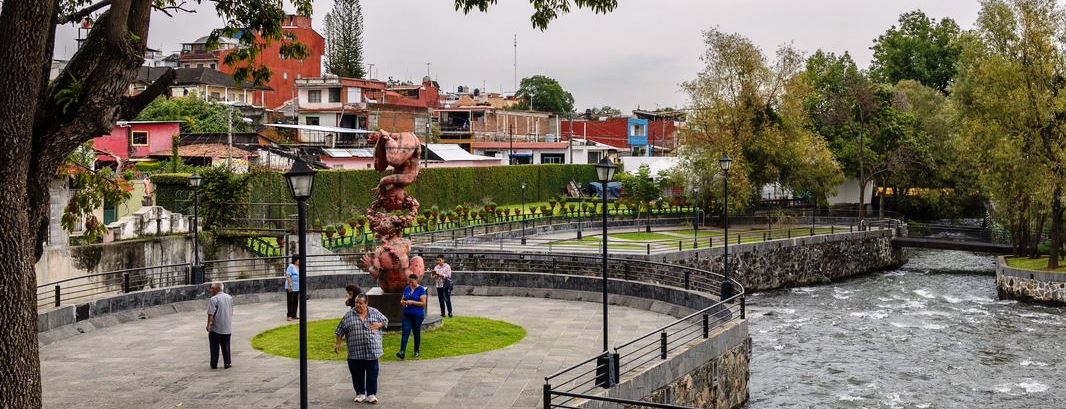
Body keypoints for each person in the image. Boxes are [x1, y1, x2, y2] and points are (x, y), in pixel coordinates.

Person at [335, 293, 387, 404]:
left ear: (366, 303)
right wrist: (338, 344)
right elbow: (339, 330)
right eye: (356, 303)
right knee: (357, 374)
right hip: (355, 352)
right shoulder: (349, 315)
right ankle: (360, 393)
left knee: (372, 373)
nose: (358, 305)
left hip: (372, 351)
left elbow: (385, 321)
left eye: (360, 303)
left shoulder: (374, 312)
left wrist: (379, 325)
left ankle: (371, 395)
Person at [396, 274, 427, 360]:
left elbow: (423, 303)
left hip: (418, 315)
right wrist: (402, 302)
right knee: (405, 332)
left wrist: (412, 302)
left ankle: (416, 351)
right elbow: (403, 299)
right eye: (409, 282)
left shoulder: (421, 290)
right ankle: (402, 352)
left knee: (416, 332)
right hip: (407, 314)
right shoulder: (407, 288)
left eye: (412, 282)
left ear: (417, 281)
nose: (410, 283)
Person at [206, 281, 234, 369]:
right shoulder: (229, 297)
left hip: (216, 327)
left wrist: (209, 325)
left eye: (212, 288)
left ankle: (214, 364)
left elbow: (211, 314)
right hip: (227, 326)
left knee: (214, 347)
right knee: (226, 346)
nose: (211, 290)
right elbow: (231, 311)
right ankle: (227, 363)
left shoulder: (214, 299)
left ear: (217, 289)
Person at [285, 256, 300, 321]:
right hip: (291, 286)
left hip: (297, 287)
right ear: (295, 260)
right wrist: (290, 285)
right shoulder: (291, 266)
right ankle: (289, 315)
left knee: (295, 301)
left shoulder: (299, 267)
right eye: (299, 259)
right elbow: (288, 275)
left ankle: (294, 315)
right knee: (290, 301)